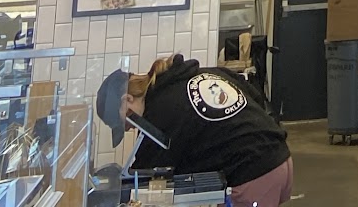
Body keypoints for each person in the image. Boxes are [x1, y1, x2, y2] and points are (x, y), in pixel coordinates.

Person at [95, 54, 293, 207]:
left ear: (127, 100)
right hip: (280, 158)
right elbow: (254, 95)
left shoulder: (158, 114)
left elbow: (147, 175)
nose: (130, 128)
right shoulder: (191, 75)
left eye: (125, 123)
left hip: (253, 174)